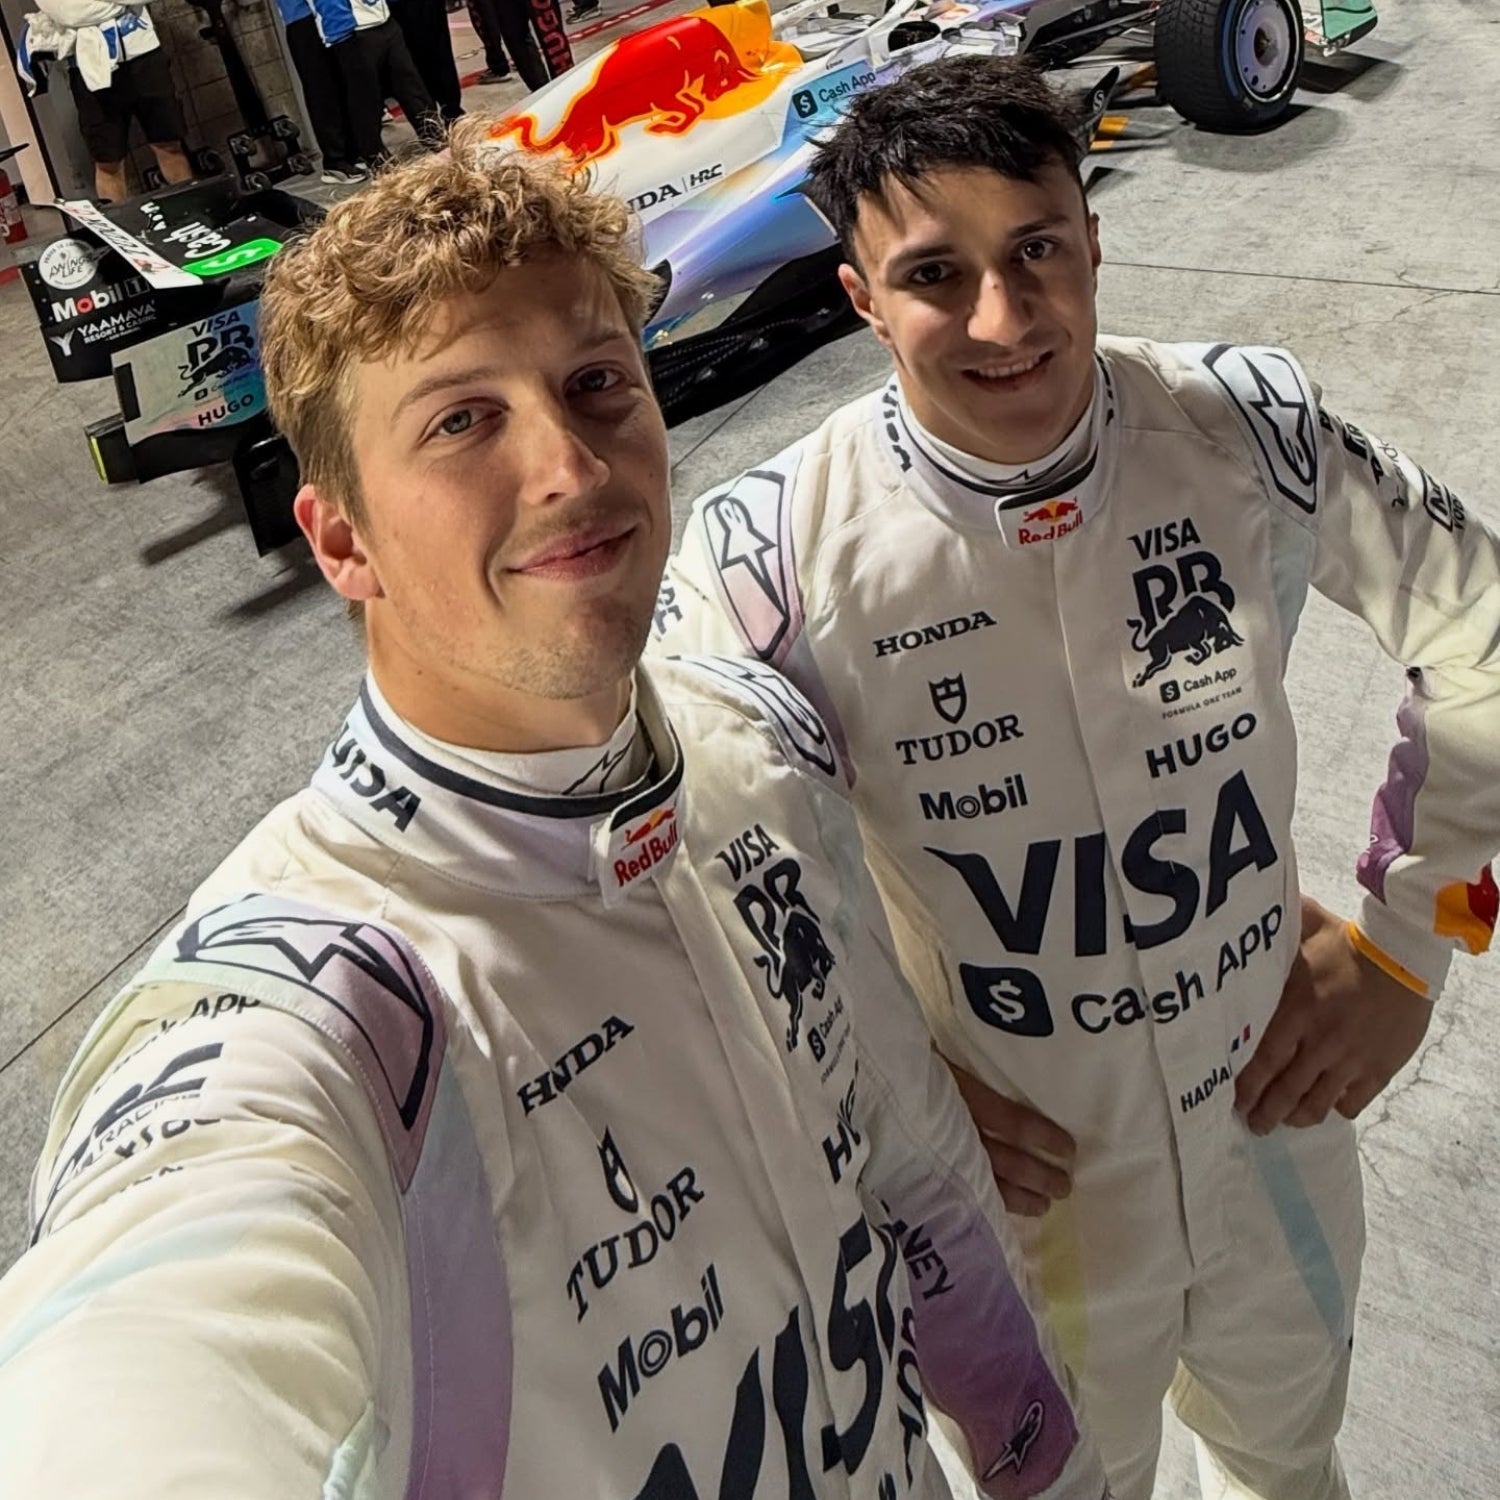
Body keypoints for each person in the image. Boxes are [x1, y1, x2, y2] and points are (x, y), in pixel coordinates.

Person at [0, 124, 1111, 1500]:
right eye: (463, 420)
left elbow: (916, 1165)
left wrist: (1038, 1464)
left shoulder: (750, 743)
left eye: (597, 386)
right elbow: (148, 1346)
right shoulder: (321, 1015)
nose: (572, 470)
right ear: (339, 539)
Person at [654, 54, 1500, 1500]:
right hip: (1014, 1202)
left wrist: (1418, 945)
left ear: (1093, 236)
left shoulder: (1250, 431)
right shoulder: (764, 559)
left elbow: (1483, 625)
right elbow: (680, 880)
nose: (1004, 317)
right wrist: (872, 1099)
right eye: (935, 274)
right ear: (859, 298)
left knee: (1291, 1466)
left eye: (1037, 248)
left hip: (1273, 1129)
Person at [19, 0, 191, 201]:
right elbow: (69, 13)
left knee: (169, 145)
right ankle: (119, 227)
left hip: (144, 53)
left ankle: (194, 214)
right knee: (108, 161)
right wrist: (119, 5)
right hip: (89, 68)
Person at [311, 0, 443, 158]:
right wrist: (341, 27)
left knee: (410, 84)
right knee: (366, 99)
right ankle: (374, 156)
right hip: (350, 29)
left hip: (383, 19)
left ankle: (435, 137)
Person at [273, 0, 369, 182]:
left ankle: (351, 152)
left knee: (339, 86)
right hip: (302, 19)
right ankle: (335, 161)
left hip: (321, 16)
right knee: (321, 92)